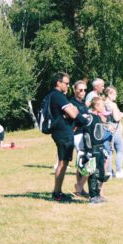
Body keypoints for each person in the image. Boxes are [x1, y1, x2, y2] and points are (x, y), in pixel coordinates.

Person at [48, 72, 80, 202]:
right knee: (62, 162)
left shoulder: (55, 95)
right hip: (63, 133)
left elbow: (72, 112)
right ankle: (57, 193)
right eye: (66, 83)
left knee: (64, 162)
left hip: (62, 131)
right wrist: (72, 110)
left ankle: (57, 191)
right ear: (58, 83)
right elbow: (73, 113)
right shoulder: (58, 96)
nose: (68, 86)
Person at [78, 97, 111, 204]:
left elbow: (99, 135)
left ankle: (98, 195)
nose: (103, 107)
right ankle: (93, 197)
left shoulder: (98, 118)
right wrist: (88, 151)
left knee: (100, 173)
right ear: (96, 106)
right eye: (101, 105)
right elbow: (86, 134)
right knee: (93, 173)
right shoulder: (89, 117)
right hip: (92, 150)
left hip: (100, 148)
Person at [103, 86, 123, 178]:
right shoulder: (112, 105)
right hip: (115, 129)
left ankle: (109, 172)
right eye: (115, 94)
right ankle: (119, 171)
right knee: (120, 150)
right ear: (109, 94)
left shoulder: (102, 103)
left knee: (109, 151)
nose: (116, 96)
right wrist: (122, 114)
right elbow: (116, 118)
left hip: (106, 128)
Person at [71, 80, 90, 197]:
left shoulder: (82, 103)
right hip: (77, 134)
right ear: (75, 90)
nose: (83, 92)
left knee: (81, 161)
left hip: (85, 132)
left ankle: (80, 187)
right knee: (84, 160)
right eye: (80, 90)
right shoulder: (71, 102)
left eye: (85, 90)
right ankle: (79, 187)